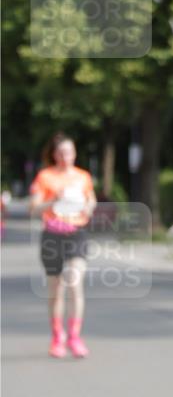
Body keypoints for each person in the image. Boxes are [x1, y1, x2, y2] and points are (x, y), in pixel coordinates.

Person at [29, 133, 97, 358]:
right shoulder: (45, 177)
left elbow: (91, 200)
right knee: (56, 289)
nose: (66, 156)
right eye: (61, 152)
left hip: (76, 233)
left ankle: (75, 337)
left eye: (70, 152)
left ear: (75, 153)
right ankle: (58, 337)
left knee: (74, 283)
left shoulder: (83, 177)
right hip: (52, 234)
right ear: (54, 154)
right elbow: (34, 208)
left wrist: (88, 207)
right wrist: (54, 200)